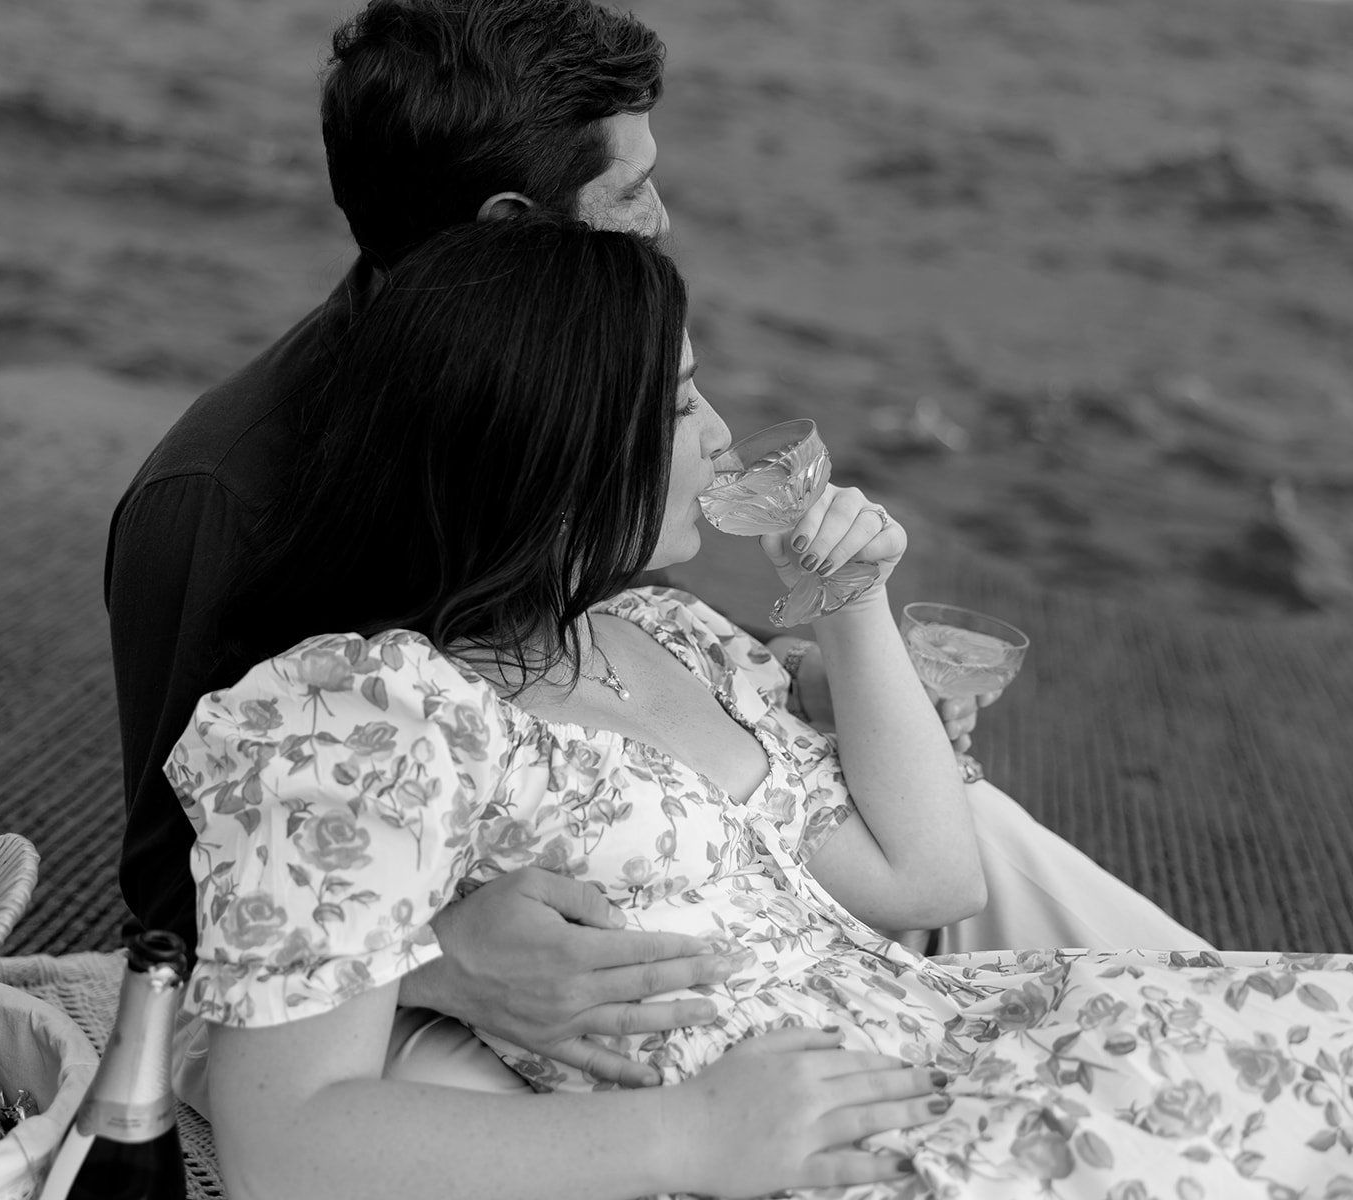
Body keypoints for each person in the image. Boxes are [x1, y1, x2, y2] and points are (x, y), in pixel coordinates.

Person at [108, 0, 1206, 1101]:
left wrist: (816, 695)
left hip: (715, 901)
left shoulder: (583, 390)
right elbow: (179, 901)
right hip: (476, 981)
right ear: (508, 223)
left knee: (999, 857)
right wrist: (446, 964)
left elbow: (614, 658)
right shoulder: (219, 498)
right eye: (630, 191)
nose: (664, 216)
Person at [168, 215, 1353, 1200]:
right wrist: (690, 1135)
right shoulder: (368, 715)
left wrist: (850, 601)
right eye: (681, 404)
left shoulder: (660, 633)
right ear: (558, 446)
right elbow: (287, 1144)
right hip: (871, 1147)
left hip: (976, 1041)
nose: (723, 434)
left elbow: (929, 880)